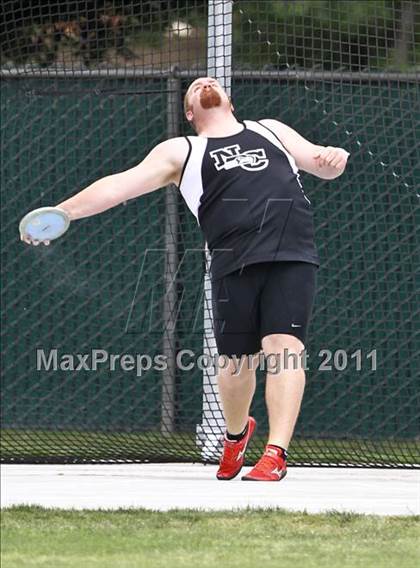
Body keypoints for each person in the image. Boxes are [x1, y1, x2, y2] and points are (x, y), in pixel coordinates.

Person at [21, 77, 349, 481]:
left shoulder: (270, 129)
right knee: (236, 364)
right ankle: (236, 435)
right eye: (193, 88)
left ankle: (275, 453)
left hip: (291, 254)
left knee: (284, 348)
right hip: (233, 264)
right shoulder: (182, 150)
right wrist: (64, 213)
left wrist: (334, 157)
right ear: (189, 113)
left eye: (209, 82)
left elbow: (321, 163)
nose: (204, 83)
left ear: (230, 100)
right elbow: (118, 186)